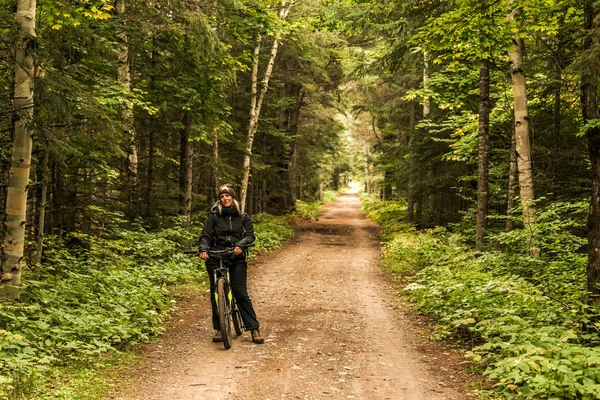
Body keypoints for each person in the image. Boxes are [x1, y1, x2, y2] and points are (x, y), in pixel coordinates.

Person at [198, 184, 264, 344]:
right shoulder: (214, 216)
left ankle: (253, 328)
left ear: (232, 197)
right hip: (216, 255)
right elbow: (205, 235)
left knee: (241, 293)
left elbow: (250, 235)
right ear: (219, 199)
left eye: (227, 196)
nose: (225, 198)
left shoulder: (242, 216)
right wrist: (203, 249)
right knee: (216, 293)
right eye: (222, 196)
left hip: (236, 257)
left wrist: (240, 245)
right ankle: (220, 327)